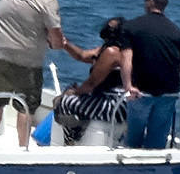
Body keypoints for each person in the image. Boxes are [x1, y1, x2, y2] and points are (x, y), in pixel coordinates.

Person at [0, 0, 99, 148]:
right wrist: (58, 44)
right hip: (27, 59)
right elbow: (56, 38)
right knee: (26, 106)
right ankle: (22, 148)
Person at [118, 0, 180, 148]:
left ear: (151, 2)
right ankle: (152, 169)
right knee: (158, 138)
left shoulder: (132, 27)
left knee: (134, 136)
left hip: (141, 91)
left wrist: (128, 86)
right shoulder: (177, 32)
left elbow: (126, 58)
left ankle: (130, 167)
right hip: (169, 92)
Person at [51, 17, 132, 147]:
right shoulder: (117, 50)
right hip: (120, 103)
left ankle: (70, 138)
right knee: (69, 96)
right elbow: (82, 55)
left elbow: (92, 83)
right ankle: (76, 129)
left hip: (114, 105)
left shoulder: (111, 52)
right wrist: (65, 44)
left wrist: (75, 92)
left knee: (62, 102)